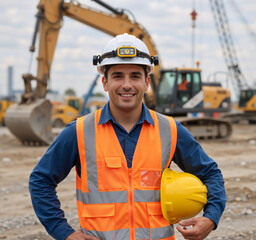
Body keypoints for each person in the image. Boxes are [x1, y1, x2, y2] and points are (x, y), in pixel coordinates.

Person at [29, 33, 227, 240]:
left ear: (147, 82)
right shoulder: (78, 132)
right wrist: (65, 233)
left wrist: (210, 219)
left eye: (135, 76)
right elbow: (40, 180)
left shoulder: (170, 130)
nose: (127, 85)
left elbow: (210, 173)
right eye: (117, 76)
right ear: (105, 82)